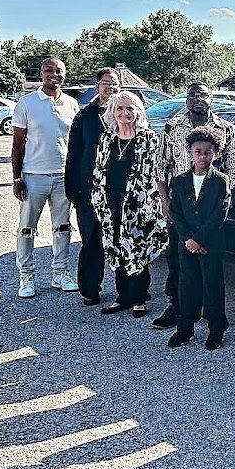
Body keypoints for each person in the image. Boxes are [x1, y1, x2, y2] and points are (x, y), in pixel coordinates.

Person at [154, 83, 235, 330]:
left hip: (210, 207)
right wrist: (165, 200)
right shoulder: (173, 127)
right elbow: (161, 165)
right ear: (186, 99)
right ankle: (179, 307)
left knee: (210, 263)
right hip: (180, 206)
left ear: (211, 98)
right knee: (178, 258)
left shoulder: (226, 129)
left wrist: (219, 190)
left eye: (203, 94)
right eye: (192, 94)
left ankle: (213, 315)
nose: (198, 99)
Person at [90, 90, 168, 318]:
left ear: (138, 112)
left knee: (137, 248)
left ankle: (139, 297)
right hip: (110, 202)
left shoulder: (149, 138)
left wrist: (151, 204)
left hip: (138, 205)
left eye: (130, 109)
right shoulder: (106, 139)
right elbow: (97, 171)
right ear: (113, 112)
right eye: (120, 109)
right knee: (115, 246)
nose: (125, 113)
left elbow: (157, 173)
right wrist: (97, 200)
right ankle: (122, 296)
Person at [12, 56, 80, 298]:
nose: (54, 74)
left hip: (63, 176)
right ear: (41, 74)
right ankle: (26, 277)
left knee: (62, 228)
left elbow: (76, 143)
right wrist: (16, 178)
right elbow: (18, 144)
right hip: (33, 176)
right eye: (49, 70)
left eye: (59, 70)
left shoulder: (72, 104)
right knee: (27, 228)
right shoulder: (27, 103)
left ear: (64, 74)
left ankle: (59, 273)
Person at [167, 128, 232, 351]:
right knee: (187, 284)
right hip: (186, 244)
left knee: (212, 285)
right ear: (190, 153)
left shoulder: (220, 181)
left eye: (208, 152)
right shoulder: (180, 181)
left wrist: (200, 240)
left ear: (216, 154)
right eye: (198, 152)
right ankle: (185, 328)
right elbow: (175, 212)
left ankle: (216, 327)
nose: (202, 157)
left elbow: (219, 212)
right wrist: (188, 239)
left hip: (210, 244)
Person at [65, 67, 120, 304]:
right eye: (106, 83)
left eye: (115, 84)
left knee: (122, 239)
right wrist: (73, 190)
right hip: (88, 191)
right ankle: (90, 289)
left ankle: (131, 290)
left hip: (119, 190)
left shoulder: (126, 113)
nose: (110, 88)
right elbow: (73, 155)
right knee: (91, 240)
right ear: (97, 86)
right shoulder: (85, 116)